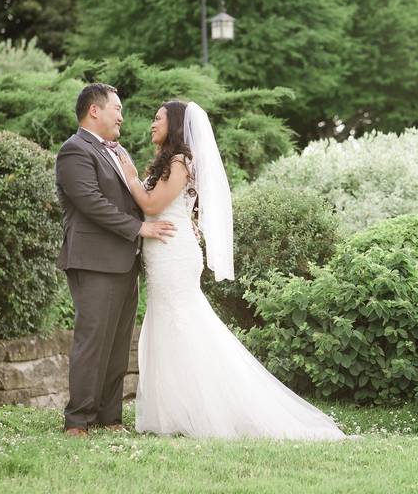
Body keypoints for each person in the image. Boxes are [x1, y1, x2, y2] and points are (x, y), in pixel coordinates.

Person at [117, 100, 345, 440]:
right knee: (168, 326)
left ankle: (206, 410)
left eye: (158, 119)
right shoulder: (171, 162)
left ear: (176, 125)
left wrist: (131, 176)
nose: (152, 124)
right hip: (164, 252)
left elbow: (152, 204)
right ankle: (174, 413)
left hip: (173, 255)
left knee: (183, 326)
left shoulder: (181, 161)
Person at [55, 83, 176, 438]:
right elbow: (91, 203)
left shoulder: (118, 151)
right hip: (93, 261)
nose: (122, 116)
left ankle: (110, 417)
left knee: (119, 343)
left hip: (126, 261)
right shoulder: (74, 150)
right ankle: (77, 420)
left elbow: (135, 195)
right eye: (117, 108)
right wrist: (139, 228)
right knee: (92, 340)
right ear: (95, 110)